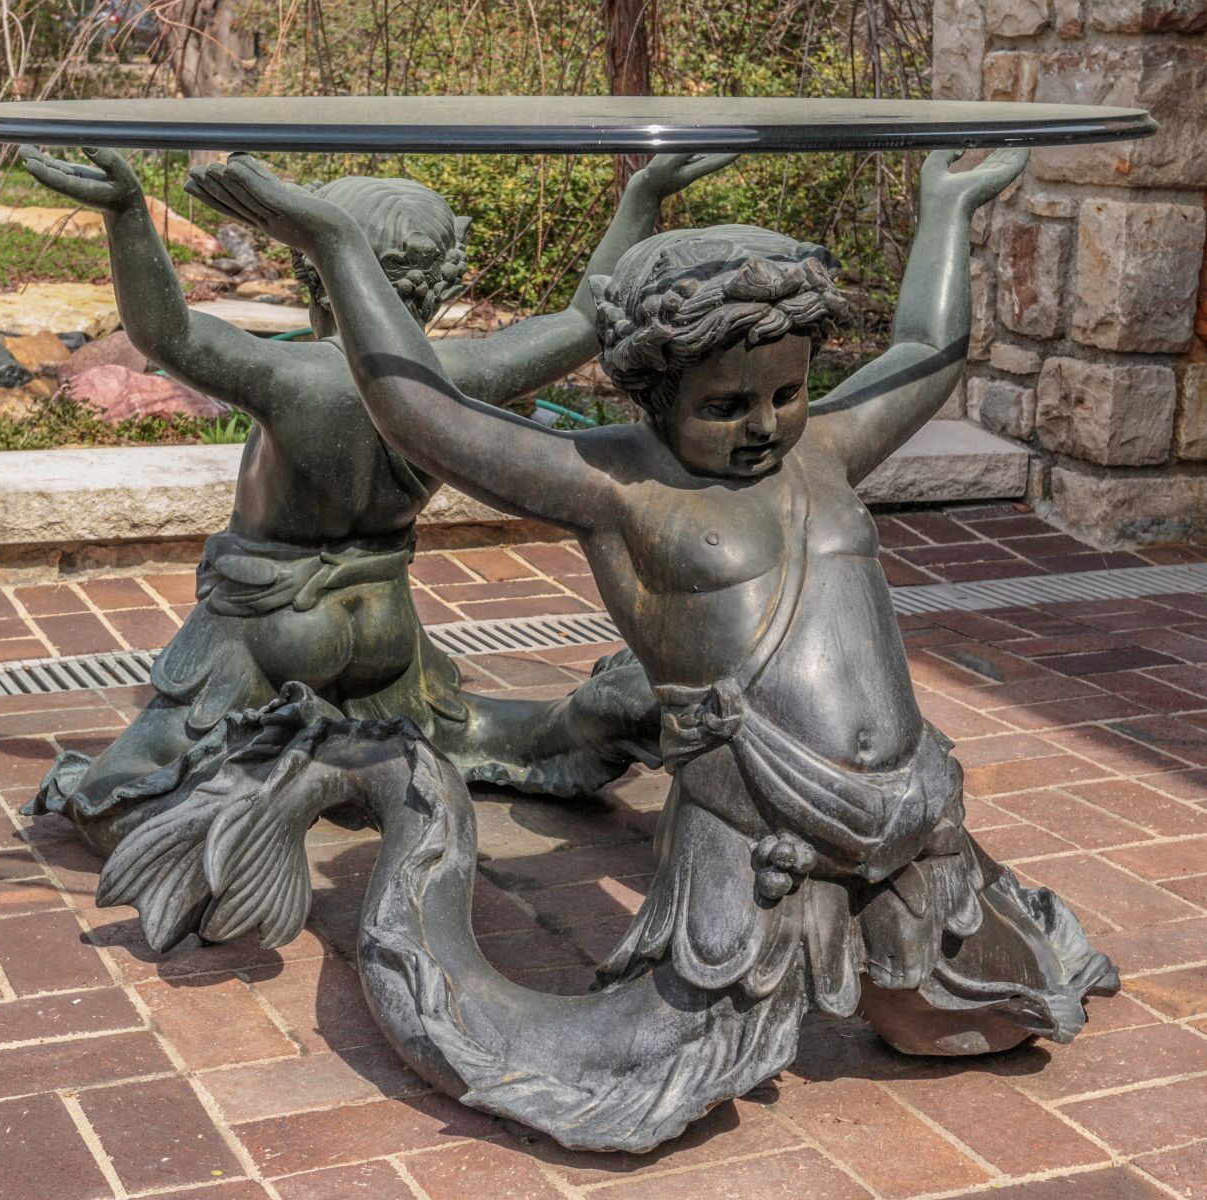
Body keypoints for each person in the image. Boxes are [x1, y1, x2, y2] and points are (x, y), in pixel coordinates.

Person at [204, 145, 1118, 1059]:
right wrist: (336, 246)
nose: (764, 424)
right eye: (726, 405)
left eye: (788, 393)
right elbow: (423, 414)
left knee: (971, 1027)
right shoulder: (616, 485)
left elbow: (924, 349)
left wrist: (947, 211)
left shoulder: (826, 449)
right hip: (756, 815)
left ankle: (903, 961)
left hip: (908, 803)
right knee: (656, 1062)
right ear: (653, 397)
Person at [18, 145, 734, 852]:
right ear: (438, 286)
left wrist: (127, 214)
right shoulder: (460, 378)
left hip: (269, 624)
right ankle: (597, 720)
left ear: (315, 271)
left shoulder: (290, 377)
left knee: (117, 798)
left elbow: (165, 332)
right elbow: (584, 320)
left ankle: (259, 813)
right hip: (386, 630)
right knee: (480, 735)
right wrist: (641, 197)